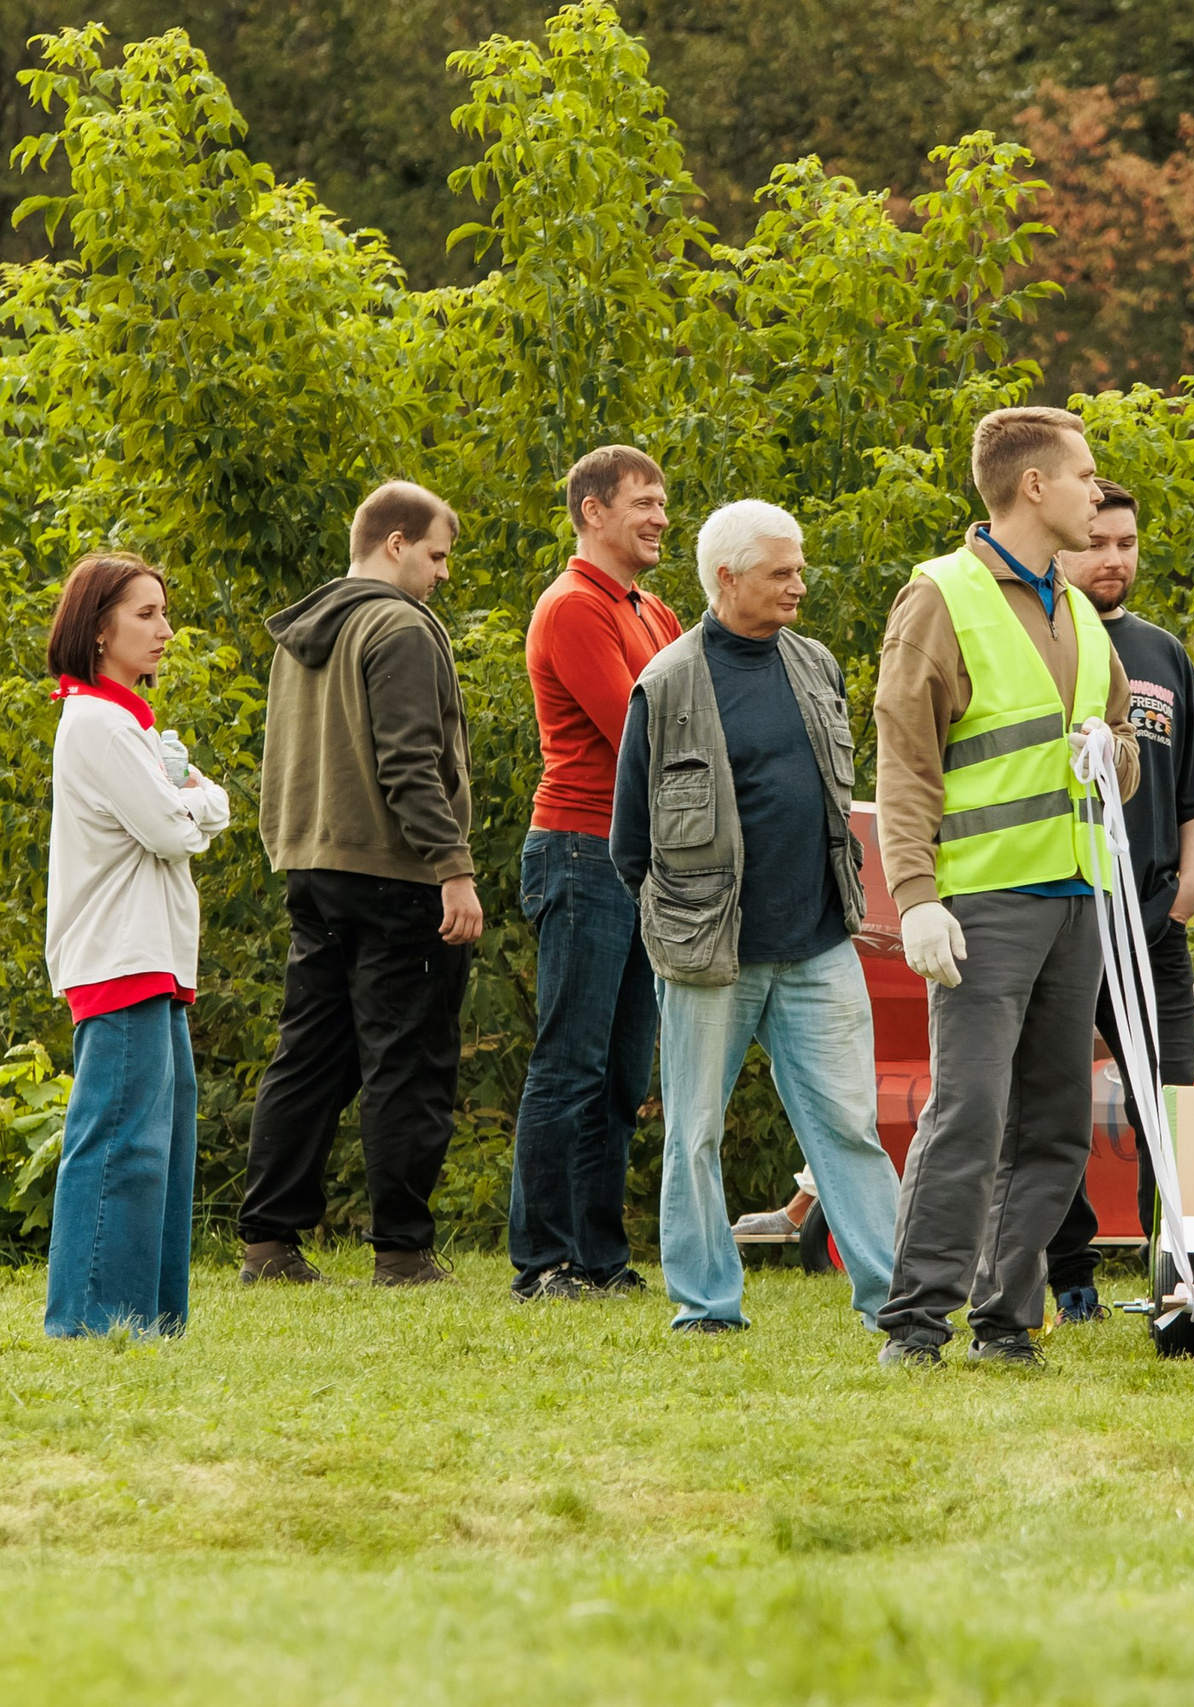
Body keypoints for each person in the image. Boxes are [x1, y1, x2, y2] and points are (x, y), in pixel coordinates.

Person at [873, 406, 1140, 1369]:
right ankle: (915, 1321)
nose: (1097, 492)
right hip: (980, 906)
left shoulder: (1076, 608)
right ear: (1034, 486)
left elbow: (1121, 752)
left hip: (1075, 898)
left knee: (1059, 1126)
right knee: (970, 1115)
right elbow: (905, 765)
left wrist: (1116, 748)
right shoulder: (939, 597)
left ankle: (1006, 1317)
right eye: (1084, 476)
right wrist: (915, 897)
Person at [612, 499, 899, 1333]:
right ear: (726, 578)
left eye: (799, 567)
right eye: (782, 572)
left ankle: (896, 1302)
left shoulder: (816, 664)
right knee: (693, 1136)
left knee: (849, 1129)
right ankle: (707, 1307)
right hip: (711, 959)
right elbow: (631, 843)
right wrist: (686, 925)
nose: (799, 584)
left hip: (817, 947)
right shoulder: (664, 684)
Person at [238, 482, 481, 1287]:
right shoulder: (397, 625)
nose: (442, 574)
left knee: (309, 1055)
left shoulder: (305, 632)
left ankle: (268, 1244)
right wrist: (453, 868)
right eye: (438, 555)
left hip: (312, 863)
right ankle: (403, 1251)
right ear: (397, 541)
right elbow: (410, 763)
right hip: (395, 869)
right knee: (407, 1060)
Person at [1041, 479, 1194, 1322]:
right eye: (1097, 542)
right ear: (1060, 545)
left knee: (1172, 1099)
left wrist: (1189, 890)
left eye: (1126, 542)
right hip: (1058, 908)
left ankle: (1179, 1270)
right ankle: (1071, 1273)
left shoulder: (1161, 652)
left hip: (1154, 919)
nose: (1114, 557)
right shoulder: (1041, 645)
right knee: (1052, 1100)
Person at [41, 553, 232, 1337]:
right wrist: (189, 797)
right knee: (119, 1143)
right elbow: (169, 827)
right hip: (121, 958)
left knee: (162, 1149)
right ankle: (90, 1321)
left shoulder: (128, 723)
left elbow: (198, 808)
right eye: (146, 614)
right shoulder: (98, 722)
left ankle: (152, 1320)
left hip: (153, 960)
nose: (166, 629)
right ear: (97, 629)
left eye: (164, 612)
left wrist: (189, 798)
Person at [510, 445, 681, 1302]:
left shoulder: (651, 607)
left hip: (633, 860)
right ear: (592, 512)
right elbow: (644, 736)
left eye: (662, 503)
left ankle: (599, 1258)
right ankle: (541, 1261)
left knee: (621, 1076)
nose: (658, 517)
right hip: (578, 851)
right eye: (642, 502)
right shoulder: (575, 607)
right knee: (569, 1064)